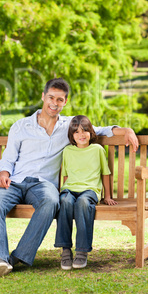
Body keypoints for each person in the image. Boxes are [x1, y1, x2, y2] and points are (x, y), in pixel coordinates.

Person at [0, 78, 139, 277]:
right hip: (15, 180)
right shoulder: (20, 126)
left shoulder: (69, 125)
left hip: (43, 185)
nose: (54, 103)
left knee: (51, 202)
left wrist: (126, 130)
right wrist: (3, 174)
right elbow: (8, 158)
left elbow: (98, 130)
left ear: (65, 102)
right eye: (51, 97)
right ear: (43, 96)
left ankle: (17, 257)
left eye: (59, 99)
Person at [54, 115, 118, 270]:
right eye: (76, 132)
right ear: (71, 136)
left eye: (84, 131)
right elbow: (66, 176)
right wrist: (64, 191)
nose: (81, 135)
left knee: (82, 203)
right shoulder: (68, 151)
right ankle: (66, 251)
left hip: (90, 190)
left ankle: (82, 251)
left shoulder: (97, 150)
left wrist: (107, 196)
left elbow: (105, 173)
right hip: (70, 188)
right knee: (65, 202)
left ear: (91, 132)